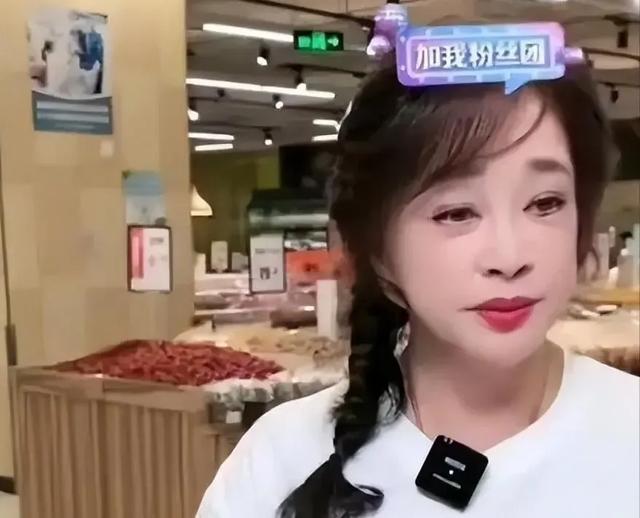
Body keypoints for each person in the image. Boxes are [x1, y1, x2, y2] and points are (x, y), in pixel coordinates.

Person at [197, 26, 639, 518]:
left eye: (545, 203)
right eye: (456, 213)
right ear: (378, 251)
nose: (510, 256)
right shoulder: (278, 465)